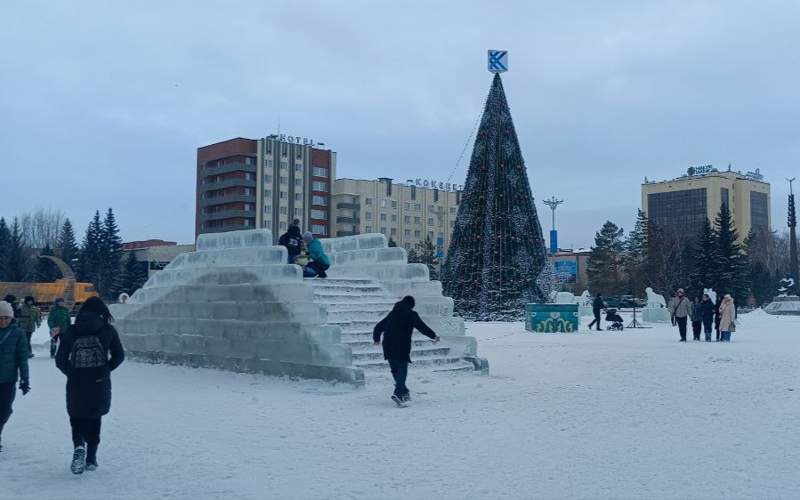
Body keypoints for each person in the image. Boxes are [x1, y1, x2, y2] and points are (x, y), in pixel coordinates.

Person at [56, 297, 125, 474]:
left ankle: (79, 445)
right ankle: (92, 458)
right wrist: (105, 370)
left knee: (77, 416)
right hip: (99, 381)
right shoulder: (108, 330)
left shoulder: (72, 330)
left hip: (76, 381)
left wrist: (71, 373)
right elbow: (119, 356)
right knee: (95, 417)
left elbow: (60, 360)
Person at [373, 296, 440, 406]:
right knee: (402, 369)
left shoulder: (392, 313)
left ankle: (404, 391)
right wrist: (433, 336)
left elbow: (378, 327)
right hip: (402, 345)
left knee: (395, 370)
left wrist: (376, 339)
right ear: (411, 305)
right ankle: (398, 393)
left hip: (388, 345)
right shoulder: (411, 314)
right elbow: (422, 327)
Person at [0, 301, 30, 452]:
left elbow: (22, 358)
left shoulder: (18, 334)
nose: (3, 321)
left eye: (6, 317)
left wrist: (25, 379)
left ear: (11, 318)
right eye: (0, 318)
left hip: (8, 379)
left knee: (4, 410)